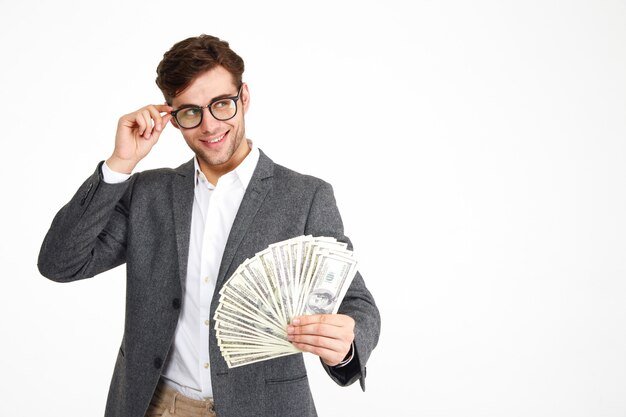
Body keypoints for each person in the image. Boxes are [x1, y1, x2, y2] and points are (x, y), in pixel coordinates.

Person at [38, 34, 380, 417]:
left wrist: (347, 341)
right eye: (190, 112)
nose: (209, 125)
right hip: (153, 406)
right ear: (171, 116)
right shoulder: (148, 193)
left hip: (262, 407)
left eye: (221, 104)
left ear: (244, 97)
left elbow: (356, 302)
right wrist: (119, 165)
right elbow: (60, 262)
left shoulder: (305, 197)